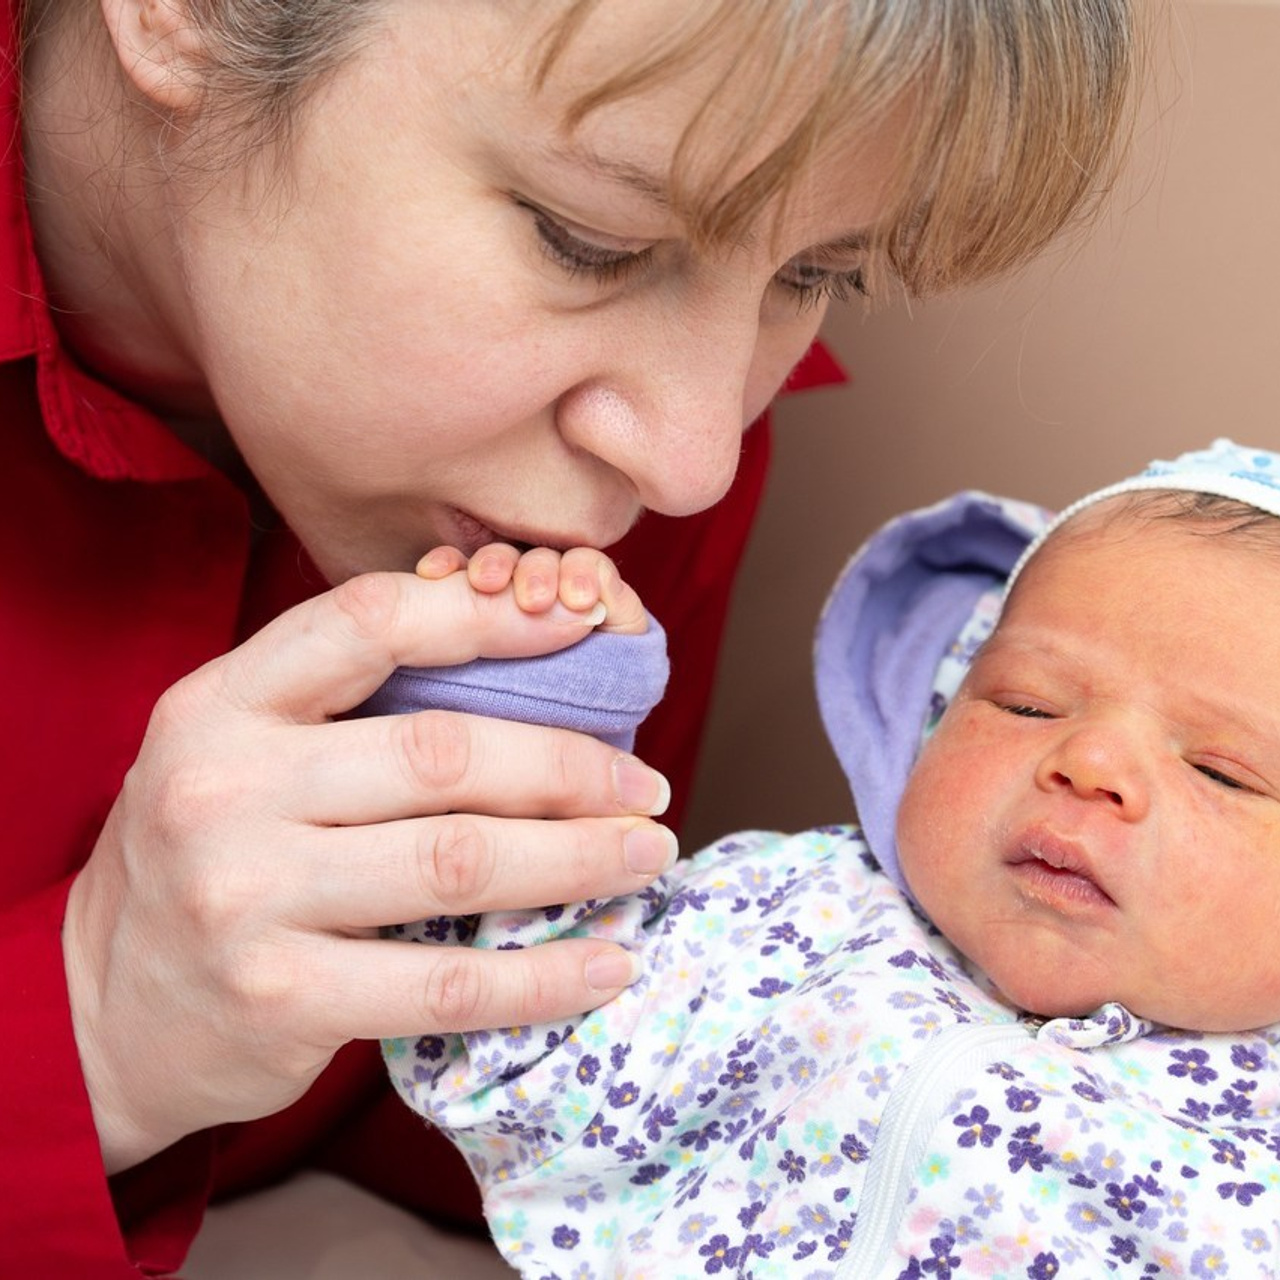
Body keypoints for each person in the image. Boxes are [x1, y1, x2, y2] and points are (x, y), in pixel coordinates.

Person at [0, 0, 1138, 1272]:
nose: (694, 458)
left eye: (810, 274)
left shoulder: (609, 454)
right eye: (588, 242)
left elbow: (495, 1130)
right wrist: (85, 1033)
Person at [382, 439, 1280, 1278]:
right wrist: (538, 693)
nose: (1089, 765)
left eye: (1222, 771)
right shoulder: (785, 916)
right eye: (1027, 705)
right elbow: (505, 1023)